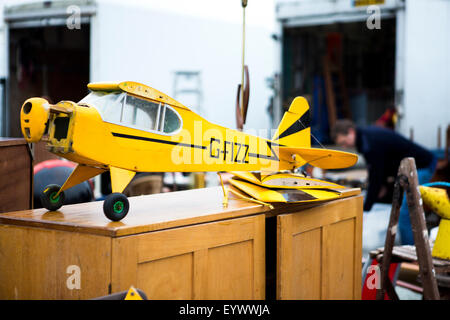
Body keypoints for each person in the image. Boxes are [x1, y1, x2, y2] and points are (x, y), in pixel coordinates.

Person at [331, 119, 437, 245]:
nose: (345, 146)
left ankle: (412, 255)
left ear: (351, 132)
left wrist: (366, 209)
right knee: (396, 208)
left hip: (421, 166)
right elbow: (380, 166)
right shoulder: (365, 138)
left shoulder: (370, 142)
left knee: (405, 214)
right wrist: (382, 186)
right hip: (407, 168)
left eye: (344, 142)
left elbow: (376, 175)